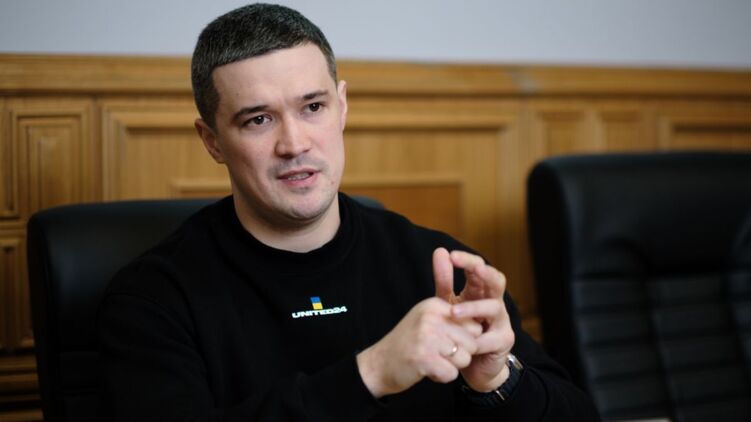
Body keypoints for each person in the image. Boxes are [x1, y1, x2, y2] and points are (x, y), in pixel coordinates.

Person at [97, 3, 599, 421]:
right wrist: (371, 373)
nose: (294, 143)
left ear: (342, 107)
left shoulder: (442, 266)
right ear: (212, 141)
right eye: (258, 119)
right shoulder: (153, 298)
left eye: (312, 107)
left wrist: (497, 381)